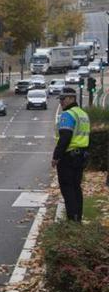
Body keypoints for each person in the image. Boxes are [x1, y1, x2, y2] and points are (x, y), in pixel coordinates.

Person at [53, 86, 90, 222]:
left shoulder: (68, 114)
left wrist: (56, 157)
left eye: (63, 99)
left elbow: (65, 137)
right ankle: (78, 218)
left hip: (68, 157)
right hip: (81, 156)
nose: (61, 102)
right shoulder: (83, 114)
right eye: (60, 99)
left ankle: (72, 219)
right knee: (76, 187)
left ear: (71, 98)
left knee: (67, 188)